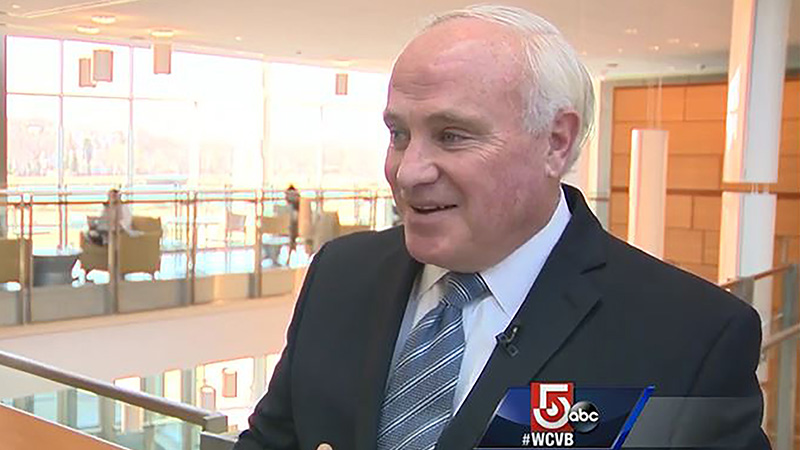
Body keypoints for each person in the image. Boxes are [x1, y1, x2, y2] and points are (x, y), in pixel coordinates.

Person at [235, 5, 768, 450]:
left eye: (452, 135)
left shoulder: (691, 337)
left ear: (556, 142)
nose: (408, 172)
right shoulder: (341, 275)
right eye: (399, 134)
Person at [284, 184, 301, 264]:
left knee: (291, 233)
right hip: (292, 226)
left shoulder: (295, 211)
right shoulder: (294, 209)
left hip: (294, 226)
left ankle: (289, 256)